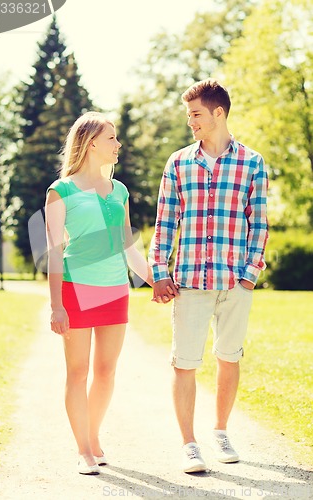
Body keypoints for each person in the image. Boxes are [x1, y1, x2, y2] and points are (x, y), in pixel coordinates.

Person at [149, 79, 268, 473]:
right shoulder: (179, 162)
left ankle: (220, 431)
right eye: (189, 115)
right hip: (189, 283)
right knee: (184, 362)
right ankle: (189, 443)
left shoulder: (252, 162)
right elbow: (165, 223)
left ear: (219, 113)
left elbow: (260, 223)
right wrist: (158, 271)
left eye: (196, 114)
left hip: (235, 283)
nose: (190, 122)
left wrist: (249, 275)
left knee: (228, 357)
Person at [45, 111, 154, 475]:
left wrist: (156, 280)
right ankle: (82, 450)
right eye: (112, 138)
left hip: (115, 290)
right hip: (77, 289)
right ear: (91, 143)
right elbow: (55, 250)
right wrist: (56, 306)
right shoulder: (61, 191)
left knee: (106, 371)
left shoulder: (118, 190)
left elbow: (128, 246)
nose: (118, 144)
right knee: (77, 372)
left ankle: (92, 438)